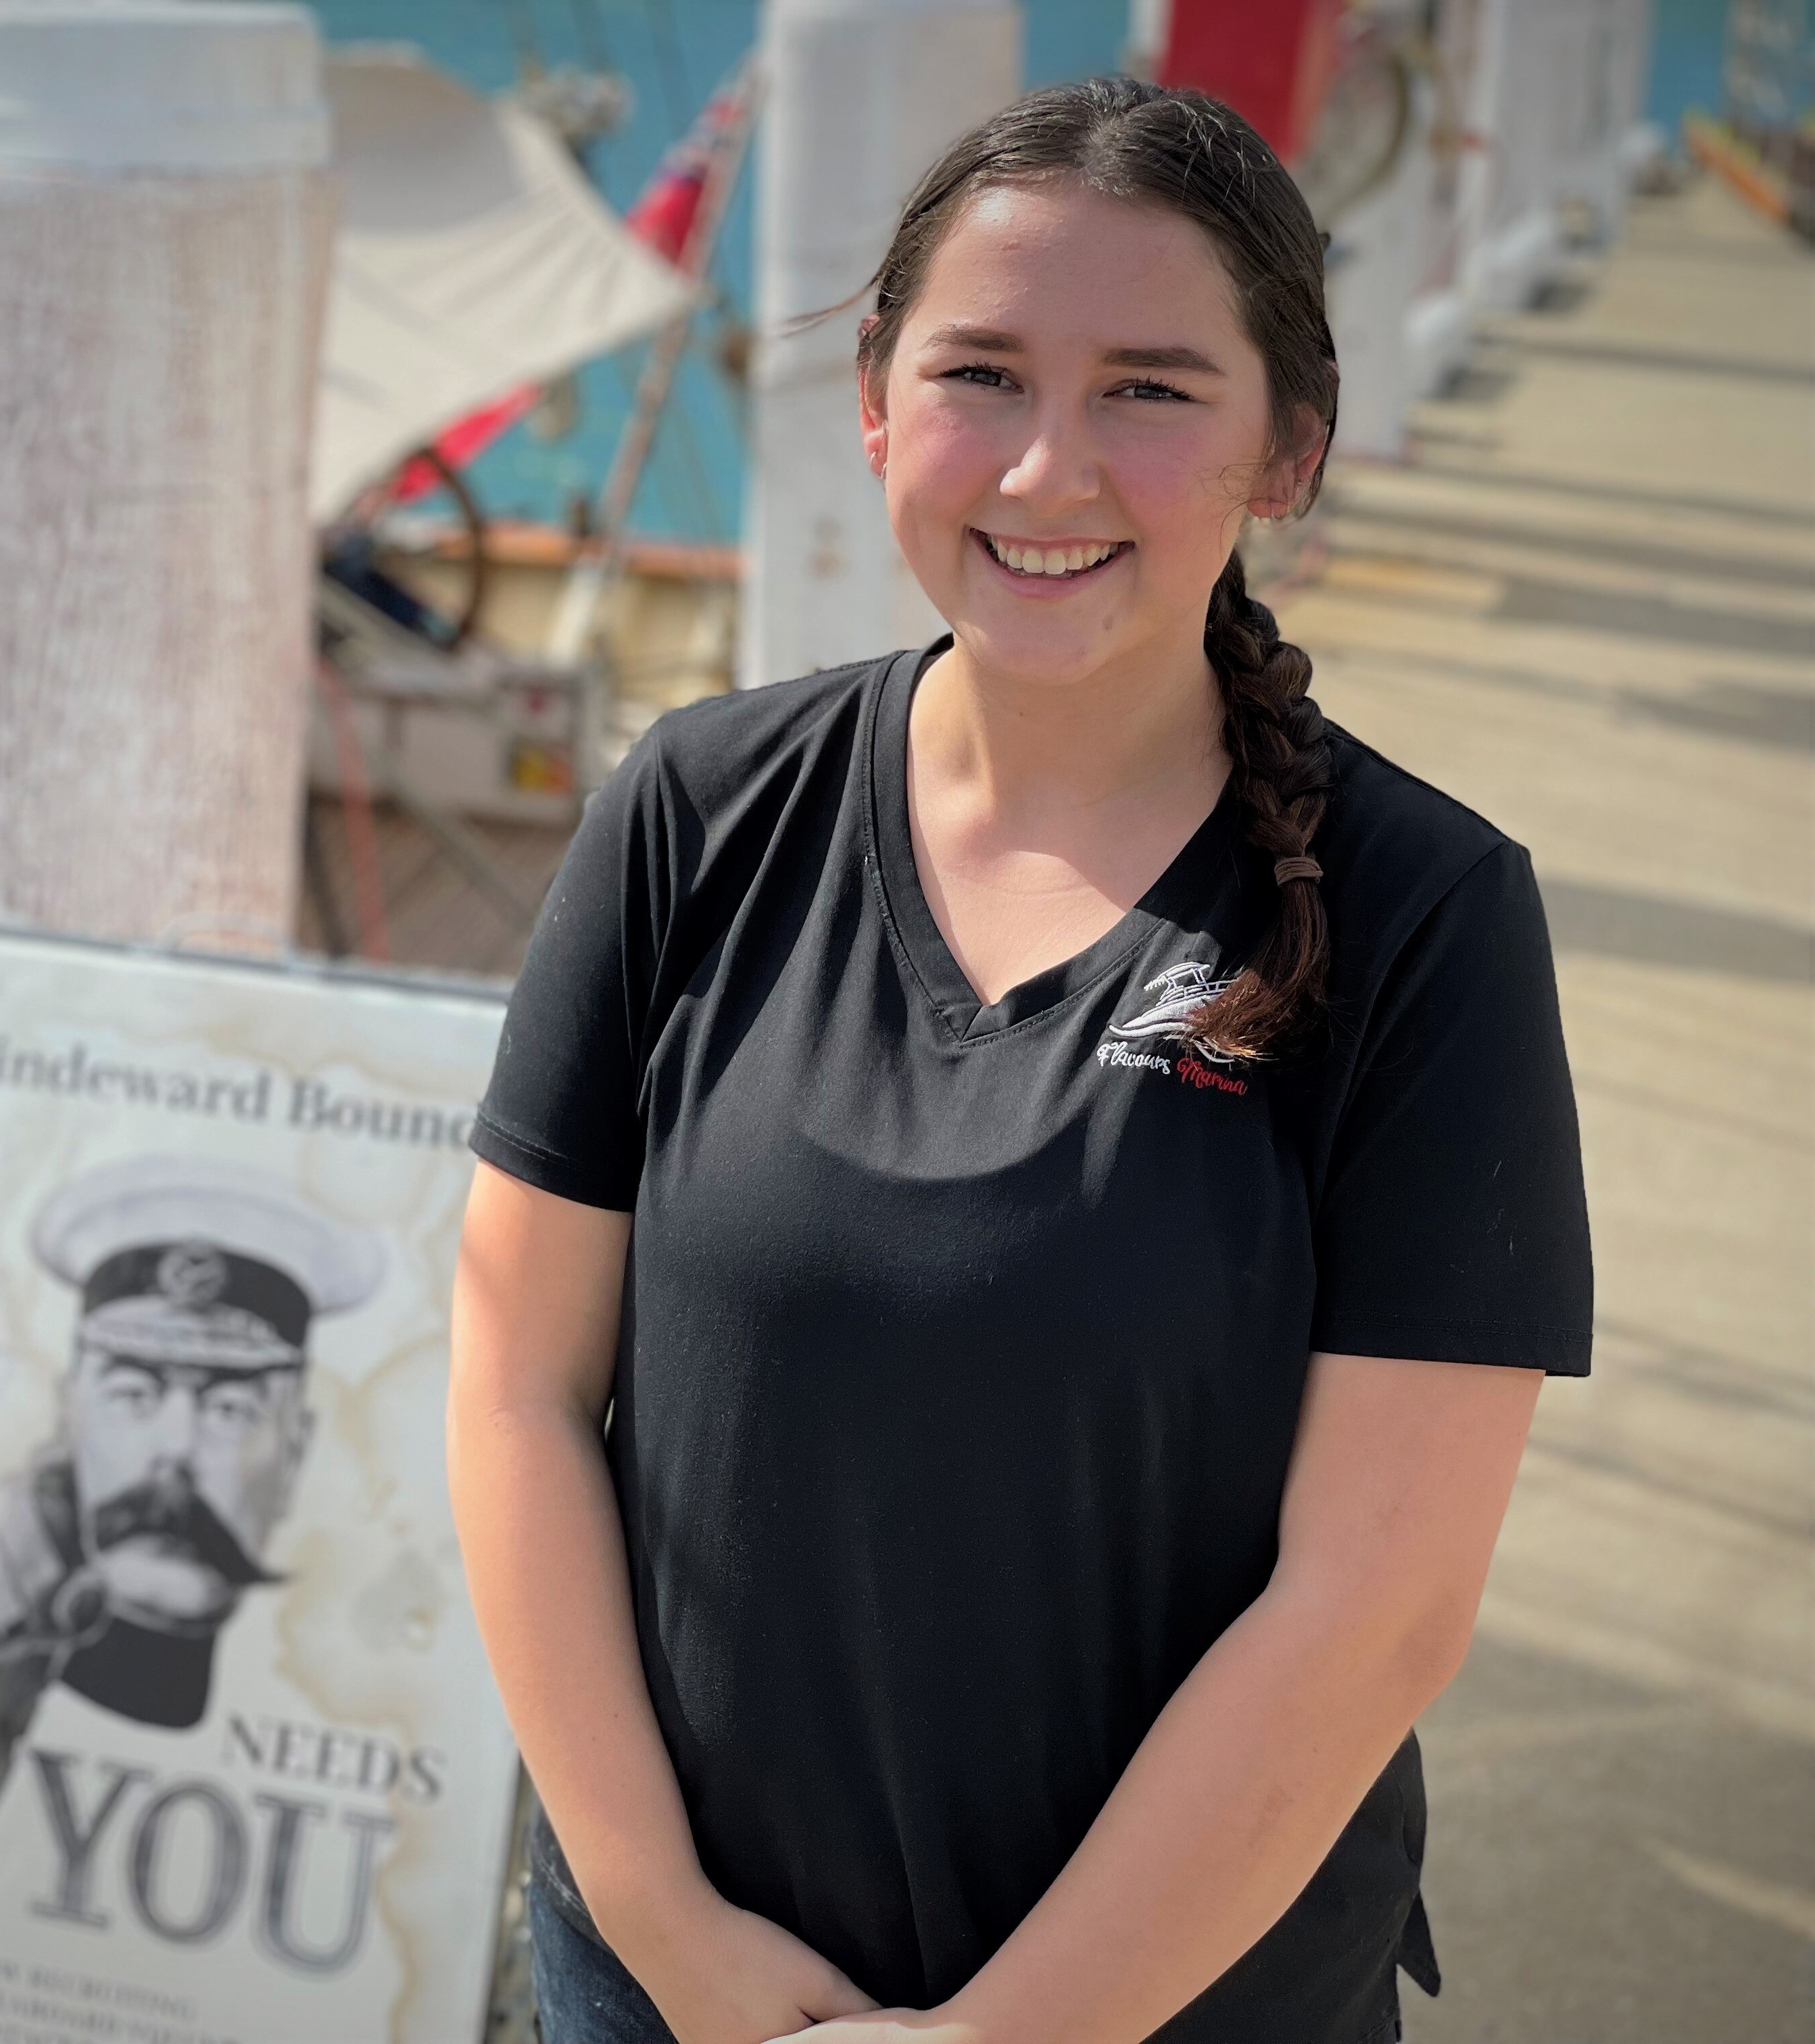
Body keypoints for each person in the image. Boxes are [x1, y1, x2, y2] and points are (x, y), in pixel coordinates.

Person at [447, 77, 1591, 2044]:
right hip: (675, 1990)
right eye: (984, 374)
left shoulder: (1425, 922)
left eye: (1153, 390)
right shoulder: (694, 812)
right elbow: (516, 1383)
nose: (1050, 470)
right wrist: (665, 1932)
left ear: (1285, 452)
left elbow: (1373, 1612)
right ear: (879, 405)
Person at [0, 1154, 381, 1820]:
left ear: (295, 1454)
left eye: (230, 1409)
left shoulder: (364, 1683)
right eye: (133, 1394)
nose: (176, 1449)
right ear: (70, 1416)